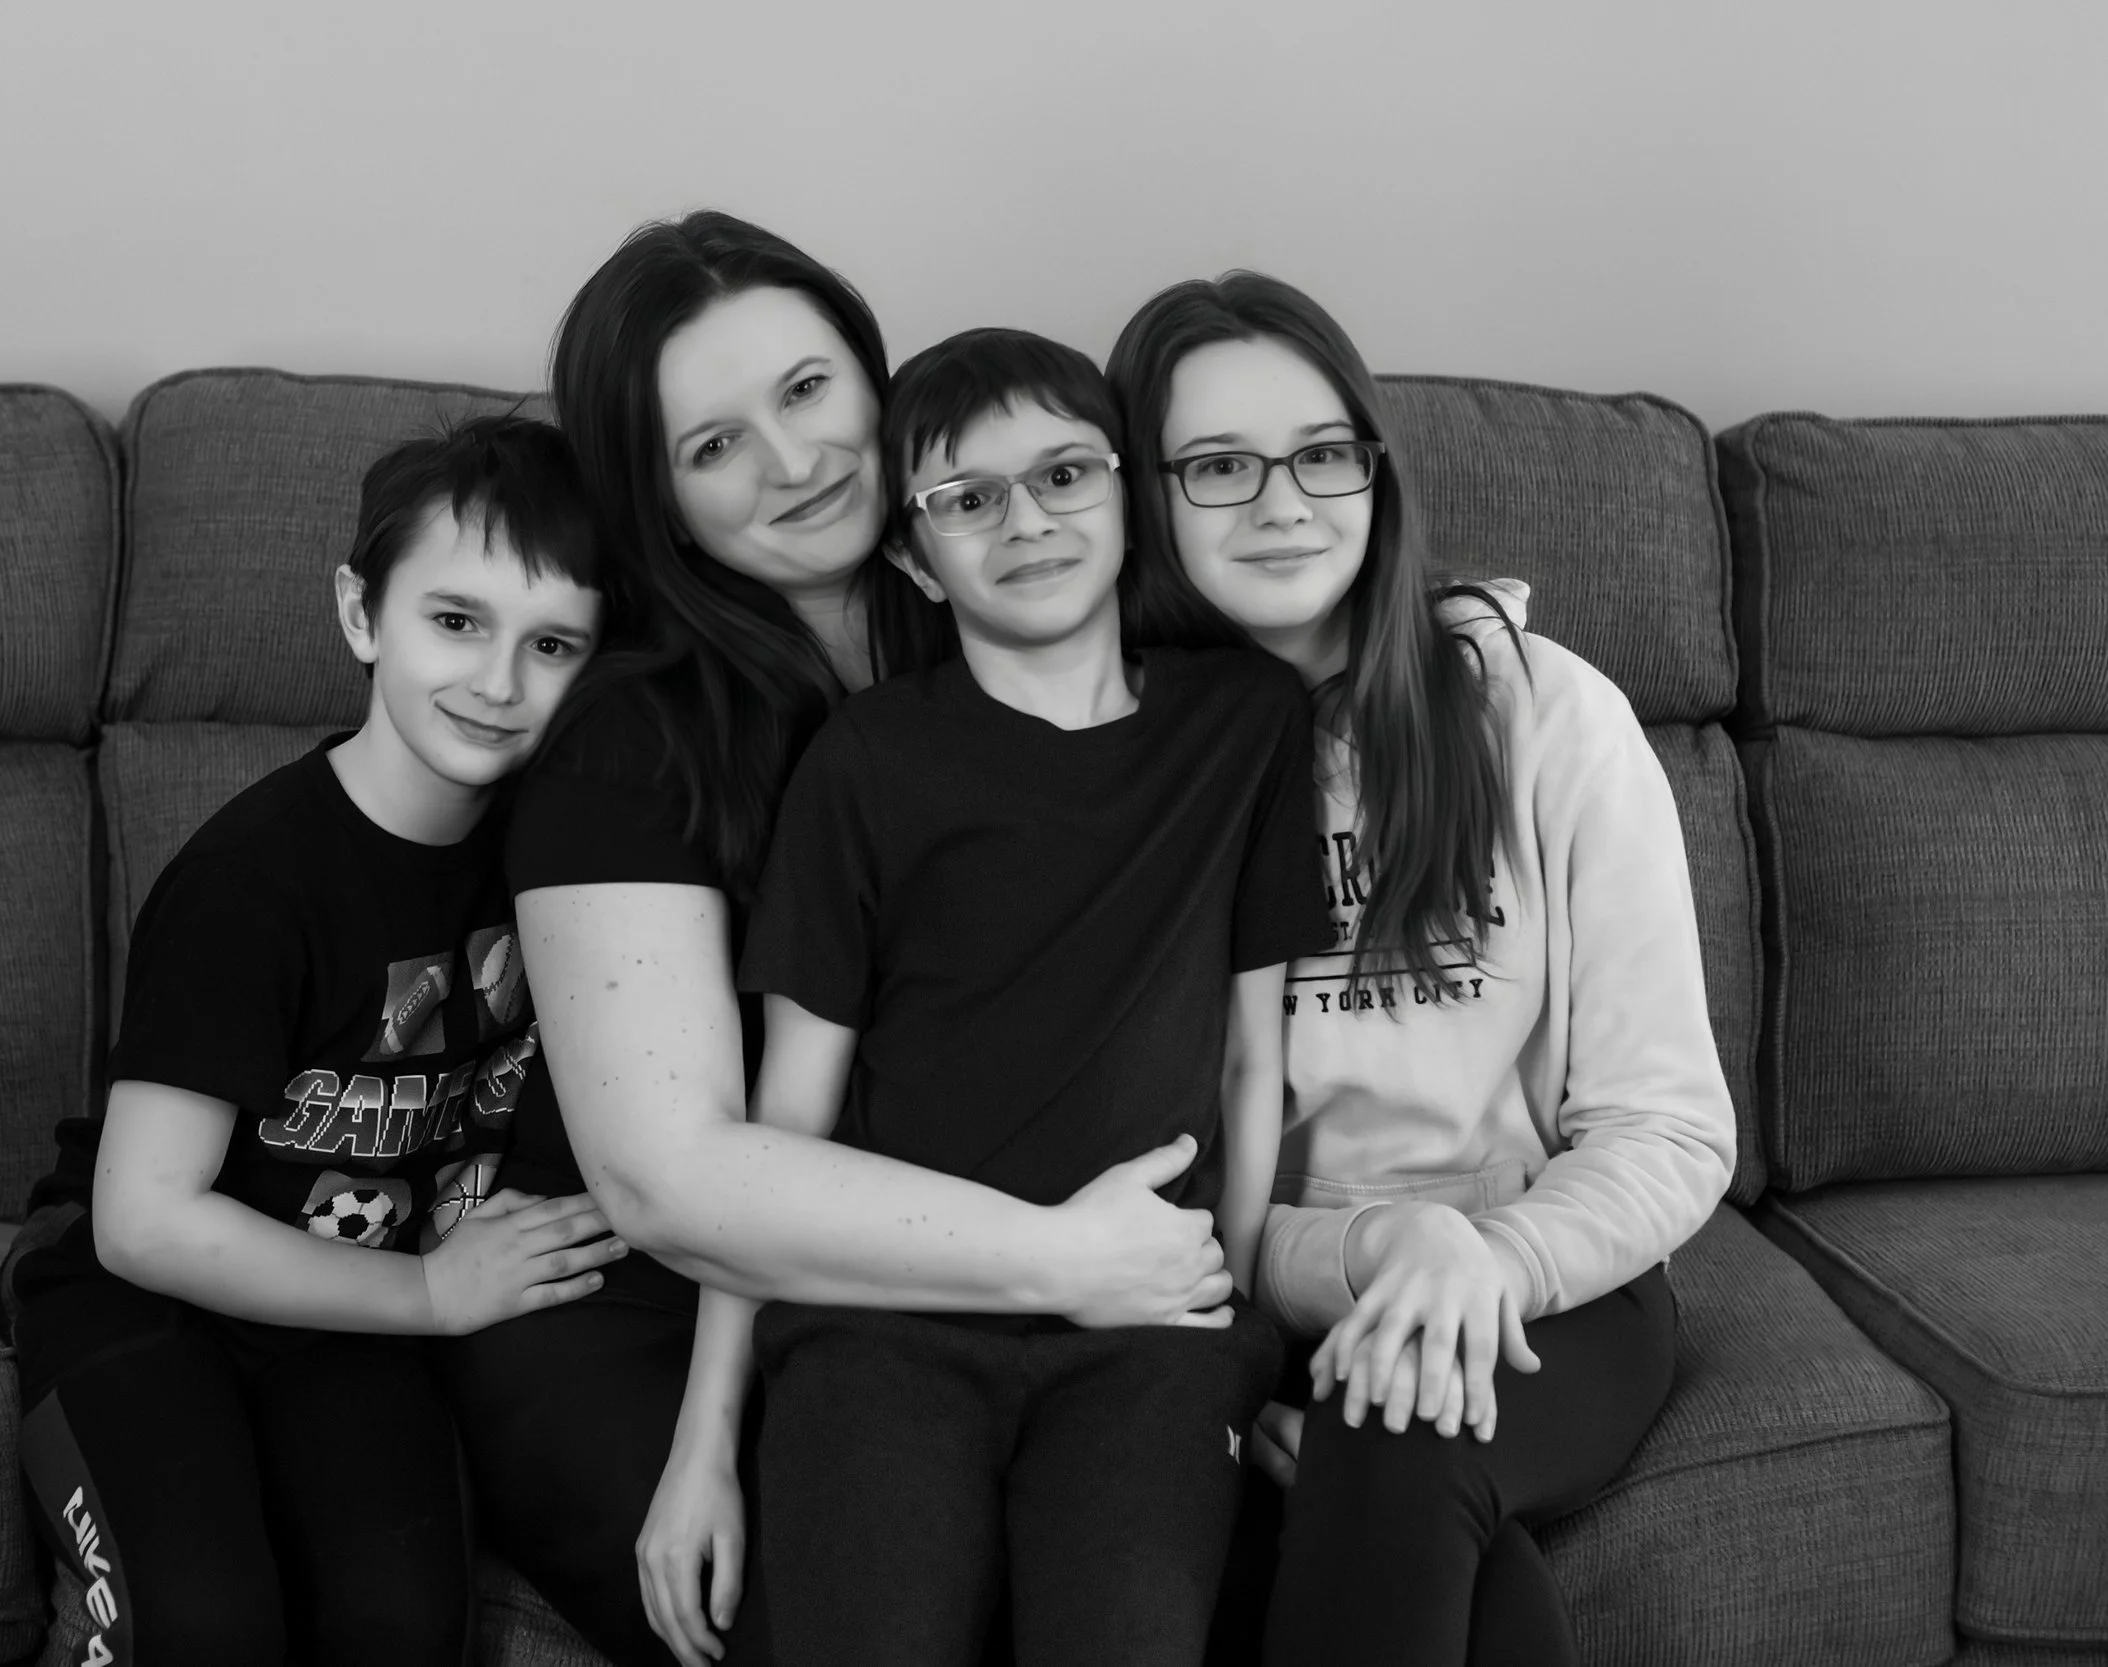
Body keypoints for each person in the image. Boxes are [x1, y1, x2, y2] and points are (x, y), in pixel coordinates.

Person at [440, 212, 1236, 1667]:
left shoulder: (1015, 591)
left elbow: (1311, 618)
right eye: (714, 444)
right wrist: (1060, 1256)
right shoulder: (632, 742)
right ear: (659, 502)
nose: (794, 461)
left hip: (1014, 1285)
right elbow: (671, 1178)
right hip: (649, 1302)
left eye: (807, 390)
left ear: (875, 377)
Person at [645, 326, 1327, 1665]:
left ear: (1127, 495)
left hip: (1148, 1331)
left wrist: (1238, 1331)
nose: (1027, 522)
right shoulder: (865, 760)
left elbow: (1255, 1060)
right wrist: (702, 1442)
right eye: (968, 498)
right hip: (880, 1327)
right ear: (913, 554)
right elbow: (778, 1134)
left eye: (1064, 475)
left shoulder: (1246, 723)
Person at [1107, 273, 1737, 1667]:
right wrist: (1371, 1258)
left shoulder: (1549, 711)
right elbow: (1157, 1168)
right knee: (1391, 1475)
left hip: (1553, 1277)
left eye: (1322, 452)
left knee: (1395, 1425)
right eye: (1219, 465)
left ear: (1377, 472)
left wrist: (1475, 1258)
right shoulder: (1122, 768)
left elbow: (1668, 1125)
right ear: (1147, 499)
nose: (1284, 502)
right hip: (1261, 1280)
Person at [0, 417, 623, 1667]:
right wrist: (433, 1292)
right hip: (143, 1284)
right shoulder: (256, 878)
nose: (499, 680)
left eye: (552, 643)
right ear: (360, 614)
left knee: (402, 1624)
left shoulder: (571, 863)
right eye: (456, 620)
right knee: (203, 1622)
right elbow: (142, 1219)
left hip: (339, 1311)